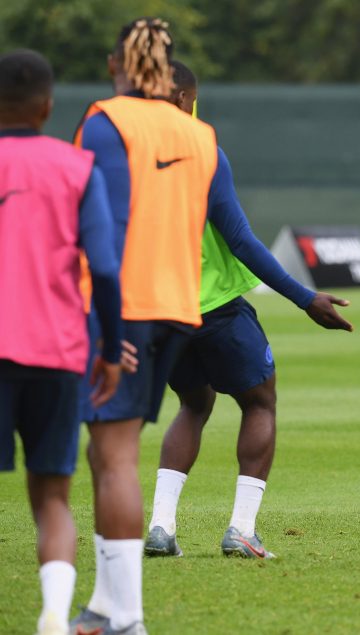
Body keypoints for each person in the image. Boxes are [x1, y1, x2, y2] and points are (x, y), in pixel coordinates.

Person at [144, 61, 353, 562]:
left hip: (157, 311)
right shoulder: (202, 150)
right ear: (183, 100)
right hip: (215, 307)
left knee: (194, 404)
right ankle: (241, 529)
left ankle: (160, 527)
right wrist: (306, 298)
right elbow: (239, 239)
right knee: (260, 402)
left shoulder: (125, 156)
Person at [67, 18, 222, 635]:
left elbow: (104, 228)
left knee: (114, 457)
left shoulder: (105, 121)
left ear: (117, 63)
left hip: (121, 309)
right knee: (112, 455)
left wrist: (104, 327)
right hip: (179, 308)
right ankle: (108, 605)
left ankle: (127, 616)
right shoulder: (200, 133)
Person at [0, 49, 122, 635]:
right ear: (48, 106)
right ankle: (52, 616)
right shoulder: (77, 168)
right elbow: (102, 269)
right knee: (52, 495)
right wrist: (111, 347)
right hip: (55, 351)